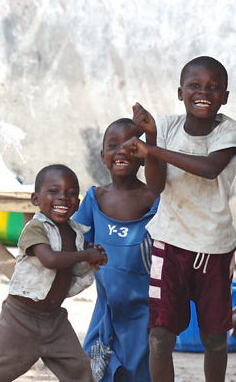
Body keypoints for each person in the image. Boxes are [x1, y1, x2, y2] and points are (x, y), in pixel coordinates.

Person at [120, 56, 236, 382]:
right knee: (160, 336)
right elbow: (156, 185)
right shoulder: (165, 127)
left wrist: (154, 150)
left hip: (213, 248)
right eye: (194, 86)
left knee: (215, 340)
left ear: (225, 97)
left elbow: (209, 168)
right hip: (169, 242)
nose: (203, 92)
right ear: (180, 92)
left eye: (213, 87)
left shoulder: (230, 130)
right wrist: (151, 138)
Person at [0, 165, 107, 382]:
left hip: (55, 321)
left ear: (78, 203)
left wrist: (94, 260)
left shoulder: (76, 233)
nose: (63, 198)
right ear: (35, 199)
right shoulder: (35, 228)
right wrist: (85, 255)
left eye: (71, 194)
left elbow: (73, 270)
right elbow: (50, 259)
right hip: (20, 318)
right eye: (53, 191)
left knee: (80, 371)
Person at [74, 118, 160, 382]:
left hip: (141, 310)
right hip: (106, 307)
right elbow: (75, 237)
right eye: (113, 146)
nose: (121, 151)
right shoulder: (95, 198)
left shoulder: (152, 199)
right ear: (102, 156)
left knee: (137, 371)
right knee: (96, 368)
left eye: (131, 146)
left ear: (143, 157)